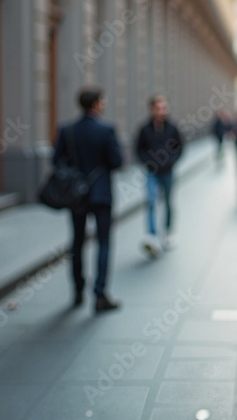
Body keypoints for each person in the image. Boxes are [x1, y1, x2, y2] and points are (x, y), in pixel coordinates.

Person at [52, 86, 123, 313]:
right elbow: (117, 162)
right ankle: (100, 294)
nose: (104, 104)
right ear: (96, 105)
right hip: (101, 194)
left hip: (77, 196)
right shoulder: (107, 130)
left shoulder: (67, 129)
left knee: (77, 242)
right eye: (102, 101)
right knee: (104, 243)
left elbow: (57, 160)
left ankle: (78, 290)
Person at [135, 94, 184, 258]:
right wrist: (148, 162)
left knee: (169, 202)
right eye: (159, 108)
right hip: (152, 172)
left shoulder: (172, 127)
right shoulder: (144, 128)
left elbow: (180, 147)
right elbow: (139, 149)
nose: (162, 111)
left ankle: (168, 232)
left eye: (164, 107)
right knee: (150, 201)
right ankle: (152, 236)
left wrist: (171, 161)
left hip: (168, 171)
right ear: (152, 109)